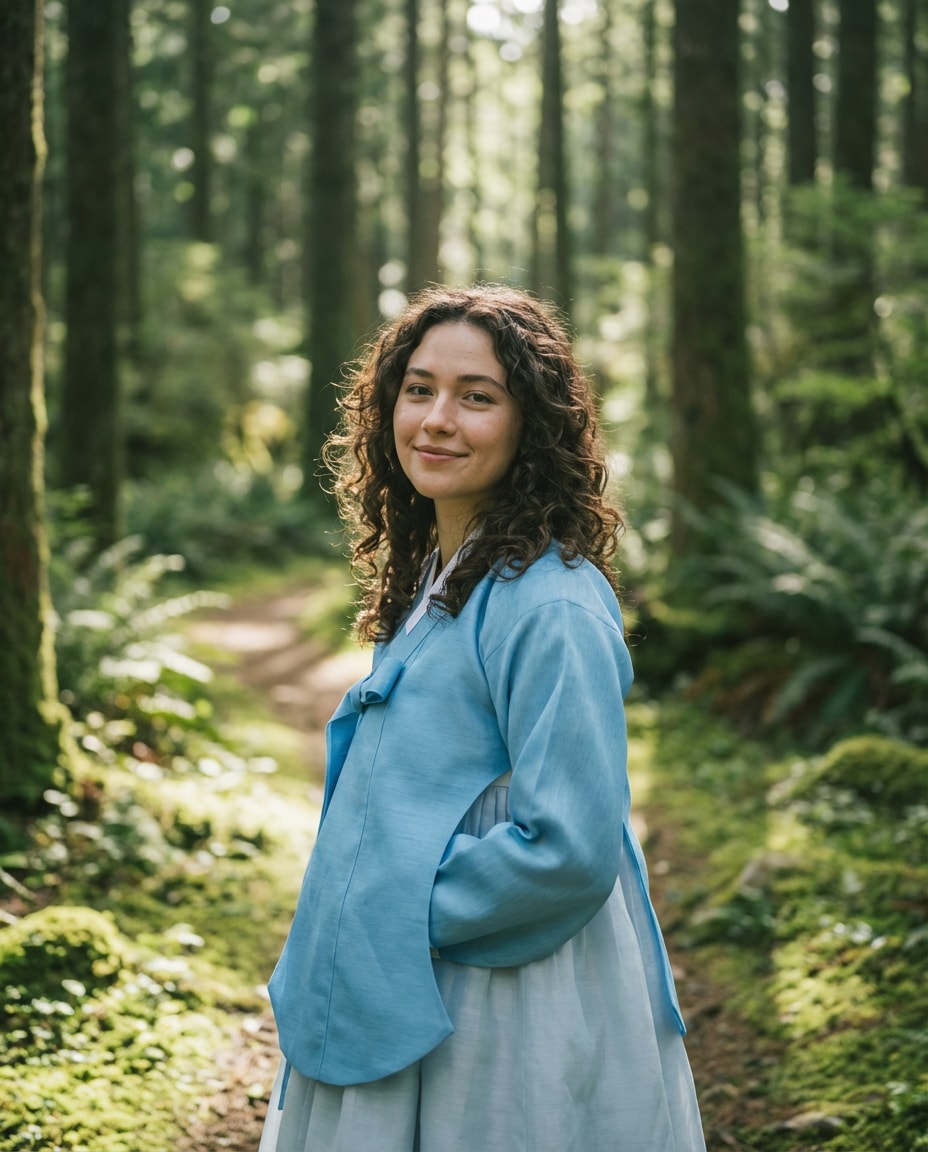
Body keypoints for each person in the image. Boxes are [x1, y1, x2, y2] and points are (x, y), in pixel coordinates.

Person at [258, 284, 706, 1152]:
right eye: (419, 389)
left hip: (503, 1000)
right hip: (405, 975)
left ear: (530, 422)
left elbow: (569, 846)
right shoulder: (440, 571)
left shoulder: (553, 605)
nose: (436, 420)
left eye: (477, 397)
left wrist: (395, 906)